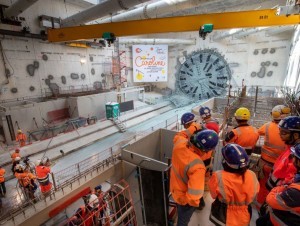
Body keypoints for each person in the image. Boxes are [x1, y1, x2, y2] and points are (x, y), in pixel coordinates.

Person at [170, 129, 219, 226]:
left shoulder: (179, 143)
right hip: (184, 200)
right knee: (183, 222)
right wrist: (184, 201)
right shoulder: (198, 166)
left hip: (175, 190)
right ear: (207, 150)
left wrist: (194, 127)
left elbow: (179, 135)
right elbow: (193, 197)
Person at [208, 144, 259, 226]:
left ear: (225, 162)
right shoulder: (252, 175)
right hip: (245, 214)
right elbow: (255, 194)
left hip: (223, 214)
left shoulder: (218, 176)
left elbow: (213, 195)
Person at [255, 105, 290, 209]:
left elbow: (256, 132)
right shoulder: (289, 132)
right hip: (281, 167)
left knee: (263, 186)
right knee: (277, 188)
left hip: (265, 163)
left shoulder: (267, 126)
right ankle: (270, 206)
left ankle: (259, 206)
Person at [257, 143, 300, 226]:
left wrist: (278, 189)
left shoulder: (296, 192)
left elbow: (271, 200)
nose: (293, 159)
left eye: (295, 157)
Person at [266, 116, 300, 191]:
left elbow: (289, 181)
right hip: (273, 188)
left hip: (277, 193)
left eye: (284, 133)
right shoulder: (290, 148)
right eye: (280, 131)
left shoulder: (295, 156)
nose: (280, 135)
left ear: (296, 135)